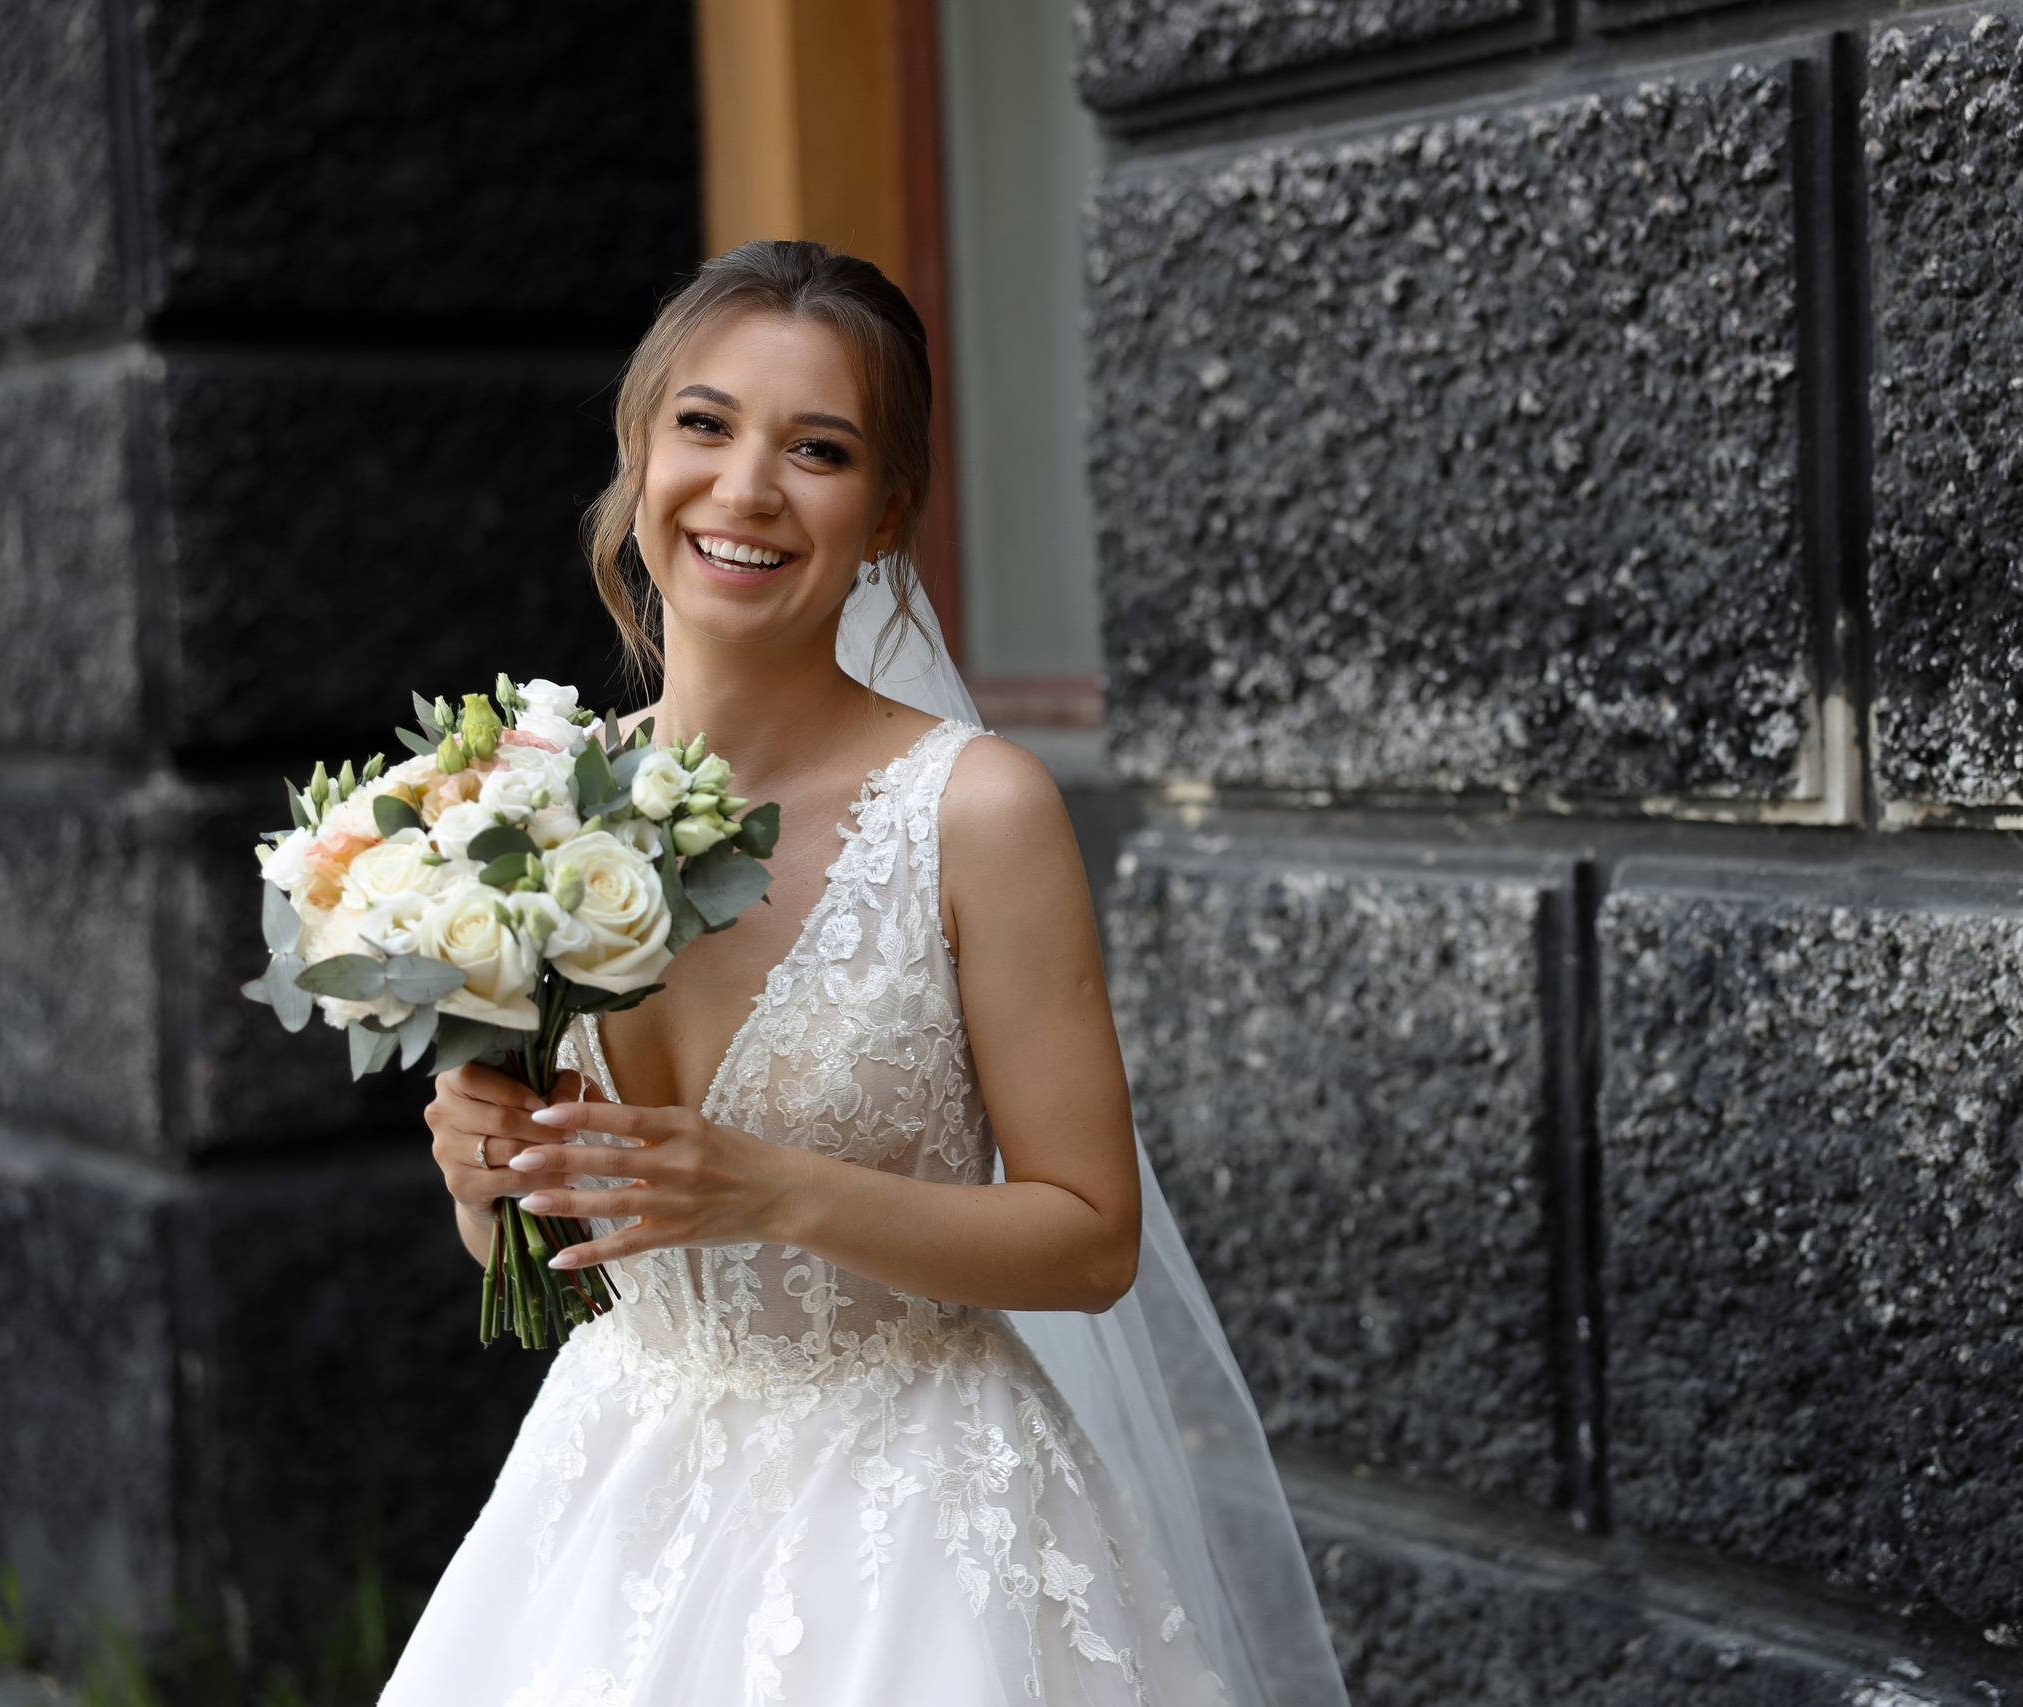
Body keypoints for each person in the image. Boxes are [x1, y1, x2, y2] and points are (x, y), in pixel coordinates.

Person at [385, 241, 1345, 1707]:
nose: (746, 487)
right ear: (640, 453)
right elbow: (562, 1262)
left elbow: (1092, 1240)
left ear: (887, 510)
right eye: (704, 424)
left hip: (908, 1532)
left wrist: (773, 1191)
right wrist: (486, 1178)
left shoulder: (975, 811)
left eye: (817, 449)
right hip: (613, 1499)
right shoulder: (525, 805)